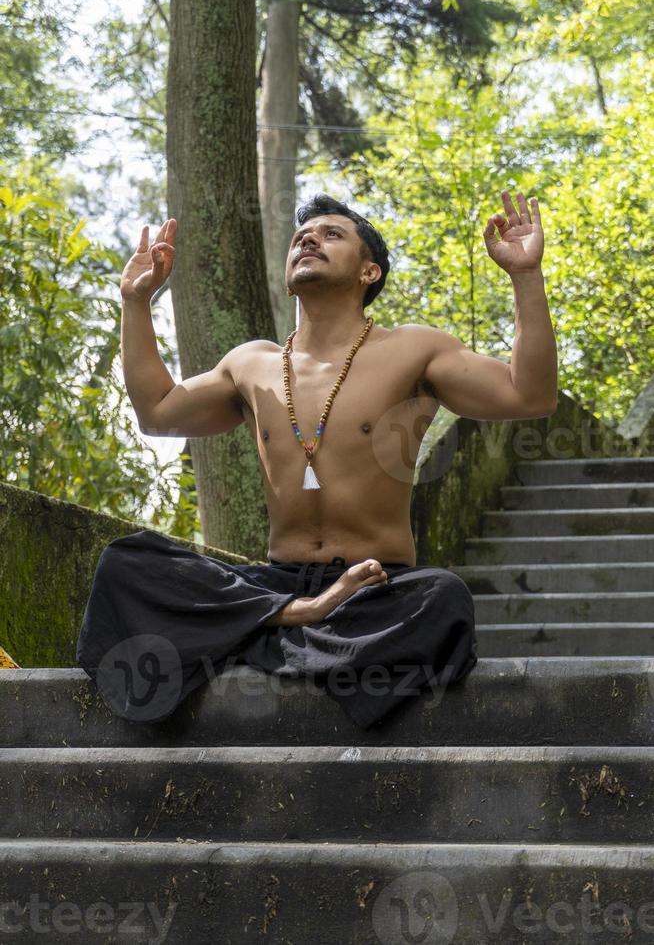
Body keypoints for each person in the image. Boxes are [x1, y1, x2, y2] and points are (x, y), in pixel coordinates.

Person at [76, 191, 557, 729]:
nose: (309, 238)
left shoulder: (414, 350)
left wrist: (524, 276)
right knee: (126, 562)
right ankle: (296, 620)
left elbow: (529, 396)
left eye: (332, 235)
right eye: (302, 235)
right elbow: (158, 412)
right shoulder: (251, 363)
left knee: (443, 599)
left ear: (369, 271)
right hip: (276, 588)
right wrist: (135, 302)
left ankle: (265, 636)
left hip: (374, 594)